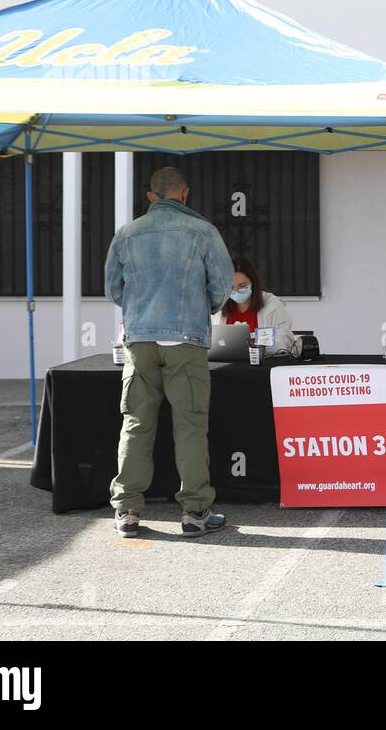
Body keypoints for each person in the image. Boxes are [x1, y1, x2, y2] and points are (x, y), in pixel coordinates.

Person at [105, 166, 235, 539]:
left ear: (150, 197)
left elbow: (113, 288)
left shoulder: (126, 234)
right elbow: (221, 285)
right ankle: (194, 514)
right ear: (184, 194)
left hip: (140, 340)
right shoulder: (203, 231)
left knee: (136, 424)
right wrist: (201, 308)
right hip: (187, 340)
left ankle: (127, 511)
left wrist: (140, 311)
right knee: (191, 427)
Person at [213, 257, 300, 357]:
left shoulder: (273, 305)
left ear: (253, 282)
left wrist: (259, 349)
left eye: (242, 286)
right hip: (227, 365)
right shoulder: (219, 307)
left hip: (263, 365)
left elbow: (284, 340)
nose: (236, 291)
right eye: (231, 288)